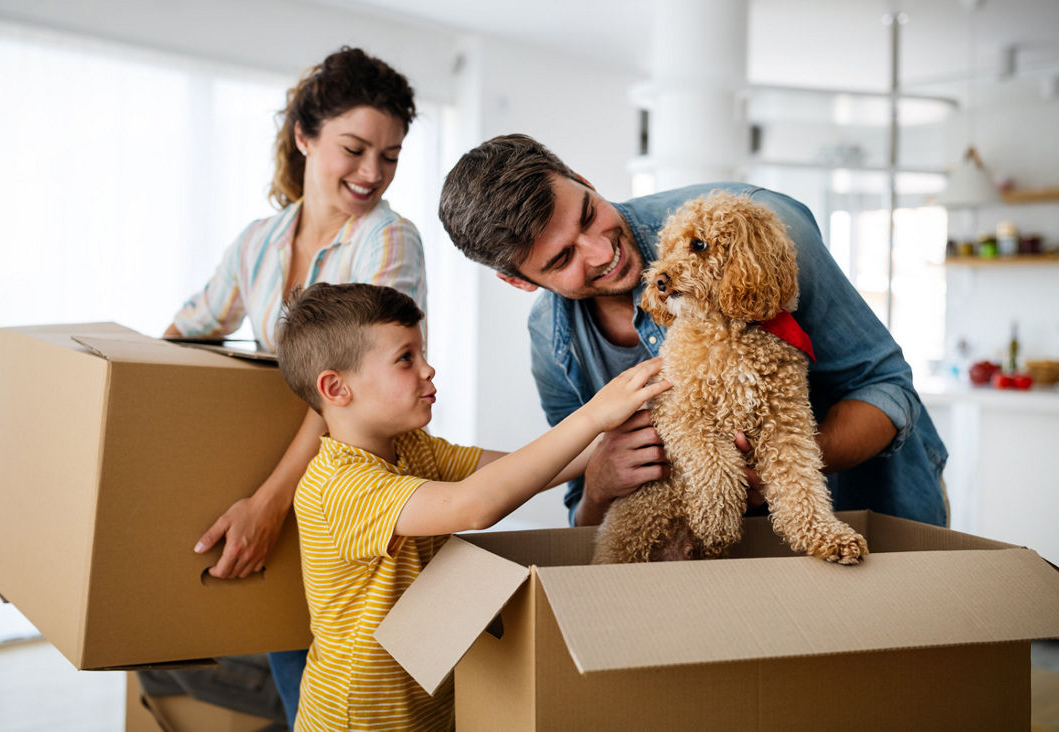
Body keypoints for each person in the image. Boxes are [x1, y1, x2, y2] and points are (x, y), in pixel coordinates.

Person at [438, 133, 948, 530]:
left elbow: (888, 390)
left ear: (580, 178)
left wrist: (781, 467)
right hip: (727, 568)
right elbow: (582, 522)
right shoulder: (551, 341)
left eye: (588, 216)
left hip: (871, 515)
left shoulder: (756, 230)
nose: (601, 251)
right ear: (518, 281)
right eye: (563, 258)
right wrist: (597, 485)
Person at [275, 282, 669, 730]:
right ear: (336, 388)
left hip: (429, 705)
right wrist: (594, 413)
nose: (429, 369)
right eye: (406, 358)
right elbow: (476, 505)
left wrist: (635, 424)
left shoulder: (411, 447)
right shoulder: (337, 486)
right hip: (359, 722)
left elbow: (529, 468)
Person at [163, 46, 422, 727]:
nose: (373, 173)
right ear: (306, 136)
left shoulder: (388, 242)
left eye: (390, 156)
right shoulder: (258, 243)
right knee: (298, 683)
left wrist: (271, 504)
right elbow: (187, 331)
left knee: (348, 689)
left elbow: (351, 391)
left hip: (351, 489)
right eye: (355, 148)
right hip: (282, 474)